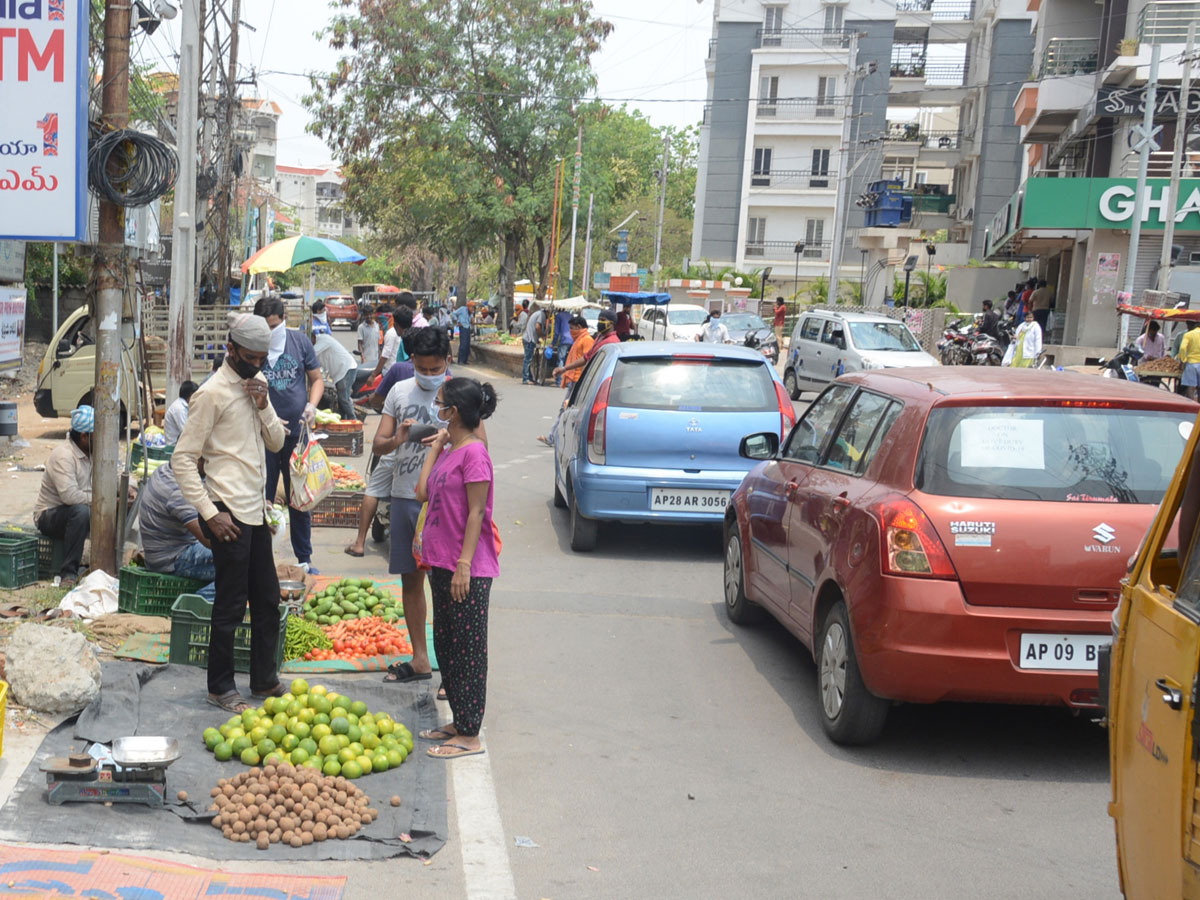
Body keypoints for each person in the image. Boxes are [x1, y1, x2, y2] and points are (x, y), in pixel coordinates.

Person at [174, 314, 288, 713]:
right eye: (249, 357)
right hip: (226, 509)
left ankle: (263, 679)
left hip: (254, 509)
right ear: (231, 350)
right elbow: (183, 460)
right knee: (231, 602)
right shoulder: (211, 394)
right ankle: (220, 686)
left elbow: (275, 442)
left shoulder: (259, 387)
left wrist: (263, 403)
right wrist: (209, 512)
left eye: (262, 359)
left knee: (268, 598)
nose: (256, 365)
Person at [414, 377, 499, 759]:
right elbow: (423, 492)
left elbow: (478, 511)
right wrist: (438, 447)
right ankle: (458, 722)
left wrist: (465, 562)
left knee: (468, 649)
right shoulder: (453, 450)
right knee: (446, 643)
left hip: (467, 566)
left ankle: (470, 733)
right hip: (440, 560)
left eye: (443, 404)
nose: (438, 408)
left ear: (457, 412)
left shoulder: (476, 454)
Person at [372, 326, 452, 683]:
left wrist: (446, 444)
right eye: (423, 369)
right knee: (411, 581)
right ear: (412, 362)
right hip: (405, 497)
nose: (430, 376)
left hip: (445, 503)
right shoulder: (400, 391)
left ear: (447, 362)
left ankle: (451, 669)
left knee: (449, 587)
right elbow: (378, 444)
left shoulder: (459, 393)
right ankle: (421, 659)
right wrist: (399, 438)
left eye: (436, 370)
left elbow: (480, 446)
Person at [255, 296, 324, 572]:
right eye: (265, 327)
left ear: (283, 320)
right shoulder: (255, 347)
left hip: (297, 435)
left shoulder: (299, 343)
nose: (271, 332)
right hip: (264, 436)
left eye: (274, 325)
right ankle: (262, 558)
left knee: (299, 498)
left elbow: (316, 379)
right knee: (263, 498)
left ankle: (304, 558)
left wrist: (312, 405)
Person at [33, 405, 94, 585]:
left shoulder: (94, 451)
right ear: (84, 436)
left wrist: (129, 489)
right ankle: (69, 572)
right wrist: (102, 500)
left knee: (123, 505)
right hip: (49, 515)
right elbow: (70, 497)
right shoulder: (64, 455)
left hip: (77, 509)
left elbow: (114, 474)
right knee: (82, 512)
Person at [139, 459, 215, 600]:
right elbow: (210, 541)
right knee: (240, 565)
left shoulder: (165, 470)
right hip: (172, 559)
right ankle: (196, 606)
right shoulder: (178, 489)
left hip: (168, 551)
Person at [539, 315, 592, 446]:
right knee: (567, 410)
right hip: (574, 380)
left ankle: (554, 438)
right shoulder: (579, 340)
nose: (570, 332)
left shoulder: (586, 340)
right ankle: (555, 437)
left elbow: (587, 360)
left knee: (567, 410)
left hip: (578, 381)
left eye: (572, 328)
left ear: (579, 327)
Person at [555, 309, 620, 381]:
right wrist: (565, 368)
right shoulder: (599, 337)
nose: (600, 322)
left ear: (611, 324)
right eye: (599, 320)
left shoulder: (612, 342)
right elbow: (587, 357)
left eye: (603, 320)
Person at [313, 330, 359, 420]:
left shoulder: (323, 339)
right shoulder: (318, 344)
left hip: (346, 369)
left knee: (344, 399)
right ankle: (343, 420)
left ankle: (353, 420)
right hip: (340, 373)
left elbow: (312, 354)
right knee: (341, 400)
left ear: (313, 337)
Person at [373, 305, 414, 378]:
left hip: (391, 371)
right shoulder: (409, 336)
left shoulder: (391, 333)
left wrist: (373, 375)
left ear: (395, 323)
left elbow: (385, 355)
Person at [162, 380, 199, 445]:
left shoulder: (184, 406)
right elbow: (187, 431)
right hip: (174, 446)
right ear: (190, 395)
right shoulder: (179, 408)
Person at [522, 303, 546, 385]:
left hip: (529, 338)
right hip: (529, 339)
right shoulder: (542, 315)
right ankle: (525, 379)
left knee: (528, 359)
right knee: (527, 360)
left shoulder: (538, 313)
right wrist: (542, 335)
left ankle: (529, 378)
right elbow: (537, 327)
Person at [1178, 321, 1200, 401]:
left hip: (1192, 363)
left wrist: (1183, 360)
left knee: (1191, 386)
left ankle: (1192, 406)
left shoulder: (1188, 334)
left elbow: (1183, 348)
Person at [452, 301, 473, 365]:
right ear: (468, 306)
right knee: (463, 344)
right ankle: (460, 360)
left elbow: (471, 320)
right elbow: (454, 314)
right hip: (463, 327)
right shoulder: (462, 309)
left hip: (468, 327)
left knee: (467, 344)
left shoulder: (470, 313)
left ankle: (465, 360)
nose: (472, 309)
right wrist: (458, 321)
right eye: (471, 307)